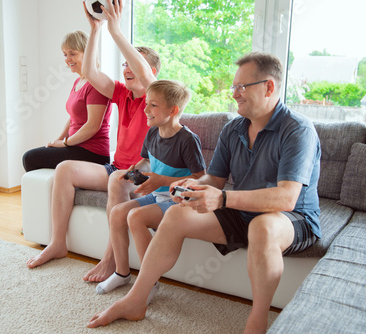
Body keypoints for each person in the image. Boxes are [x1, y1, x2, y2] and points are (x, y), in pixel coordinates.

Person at [86, 52, 322, 334]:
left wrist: (222, 199)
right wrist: (191, 185)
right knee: (176, 214)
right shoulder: (233, 128)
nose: (235, 93)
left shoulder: (297, 130)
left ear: (269, 87)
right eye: (234, 87)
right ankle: (136, 300)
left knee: (262, 226)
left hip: (291, 218)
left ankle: (257, 323)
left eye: (241, 87)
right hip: (241, 210)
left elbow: (286, 198)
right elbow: (215, 179)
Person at [25, 0, 161, 273]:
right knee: (65, 169)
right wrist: (96, 28)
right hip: (116, 167)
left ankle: (110, 259)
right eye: (125, 64)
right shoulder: (121, 93)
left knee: (117, 178)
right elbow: (89, 72)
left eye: (134, 63)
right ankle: (57, 242)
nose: (127, 68)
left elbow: (145, 76)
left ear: (152, 71)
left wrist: (116, 30)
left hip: (144, 175)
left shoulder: (155, 95)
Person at [95, 80, 206, 297]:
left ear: (173, 110)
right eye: (146, 103)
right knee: (118, 213)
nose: (145, 109)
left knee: (135, 217)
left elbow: (201, 179)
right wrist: (135, 171)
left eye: (153, 105)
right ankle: (122, 272)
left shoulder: (187, 140)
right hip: (156, 196)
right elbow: (146, 160)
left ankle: (149, 281)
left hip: (176, 202)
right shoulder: (153, 132)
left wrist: (162, 180)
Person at [22, 31, 112, 172]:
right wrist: (57, 140)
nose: (67, 59)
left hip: (93, 153)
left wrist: (65, 143)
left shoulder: (96, 83)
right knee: (34, 155)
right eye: (65, 54)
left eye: (73, 53)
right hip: (76, 147)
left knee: (30, 157)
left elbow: (93, 126)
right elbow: (73, 118)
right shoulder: (79, 81)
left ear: (87, 53)